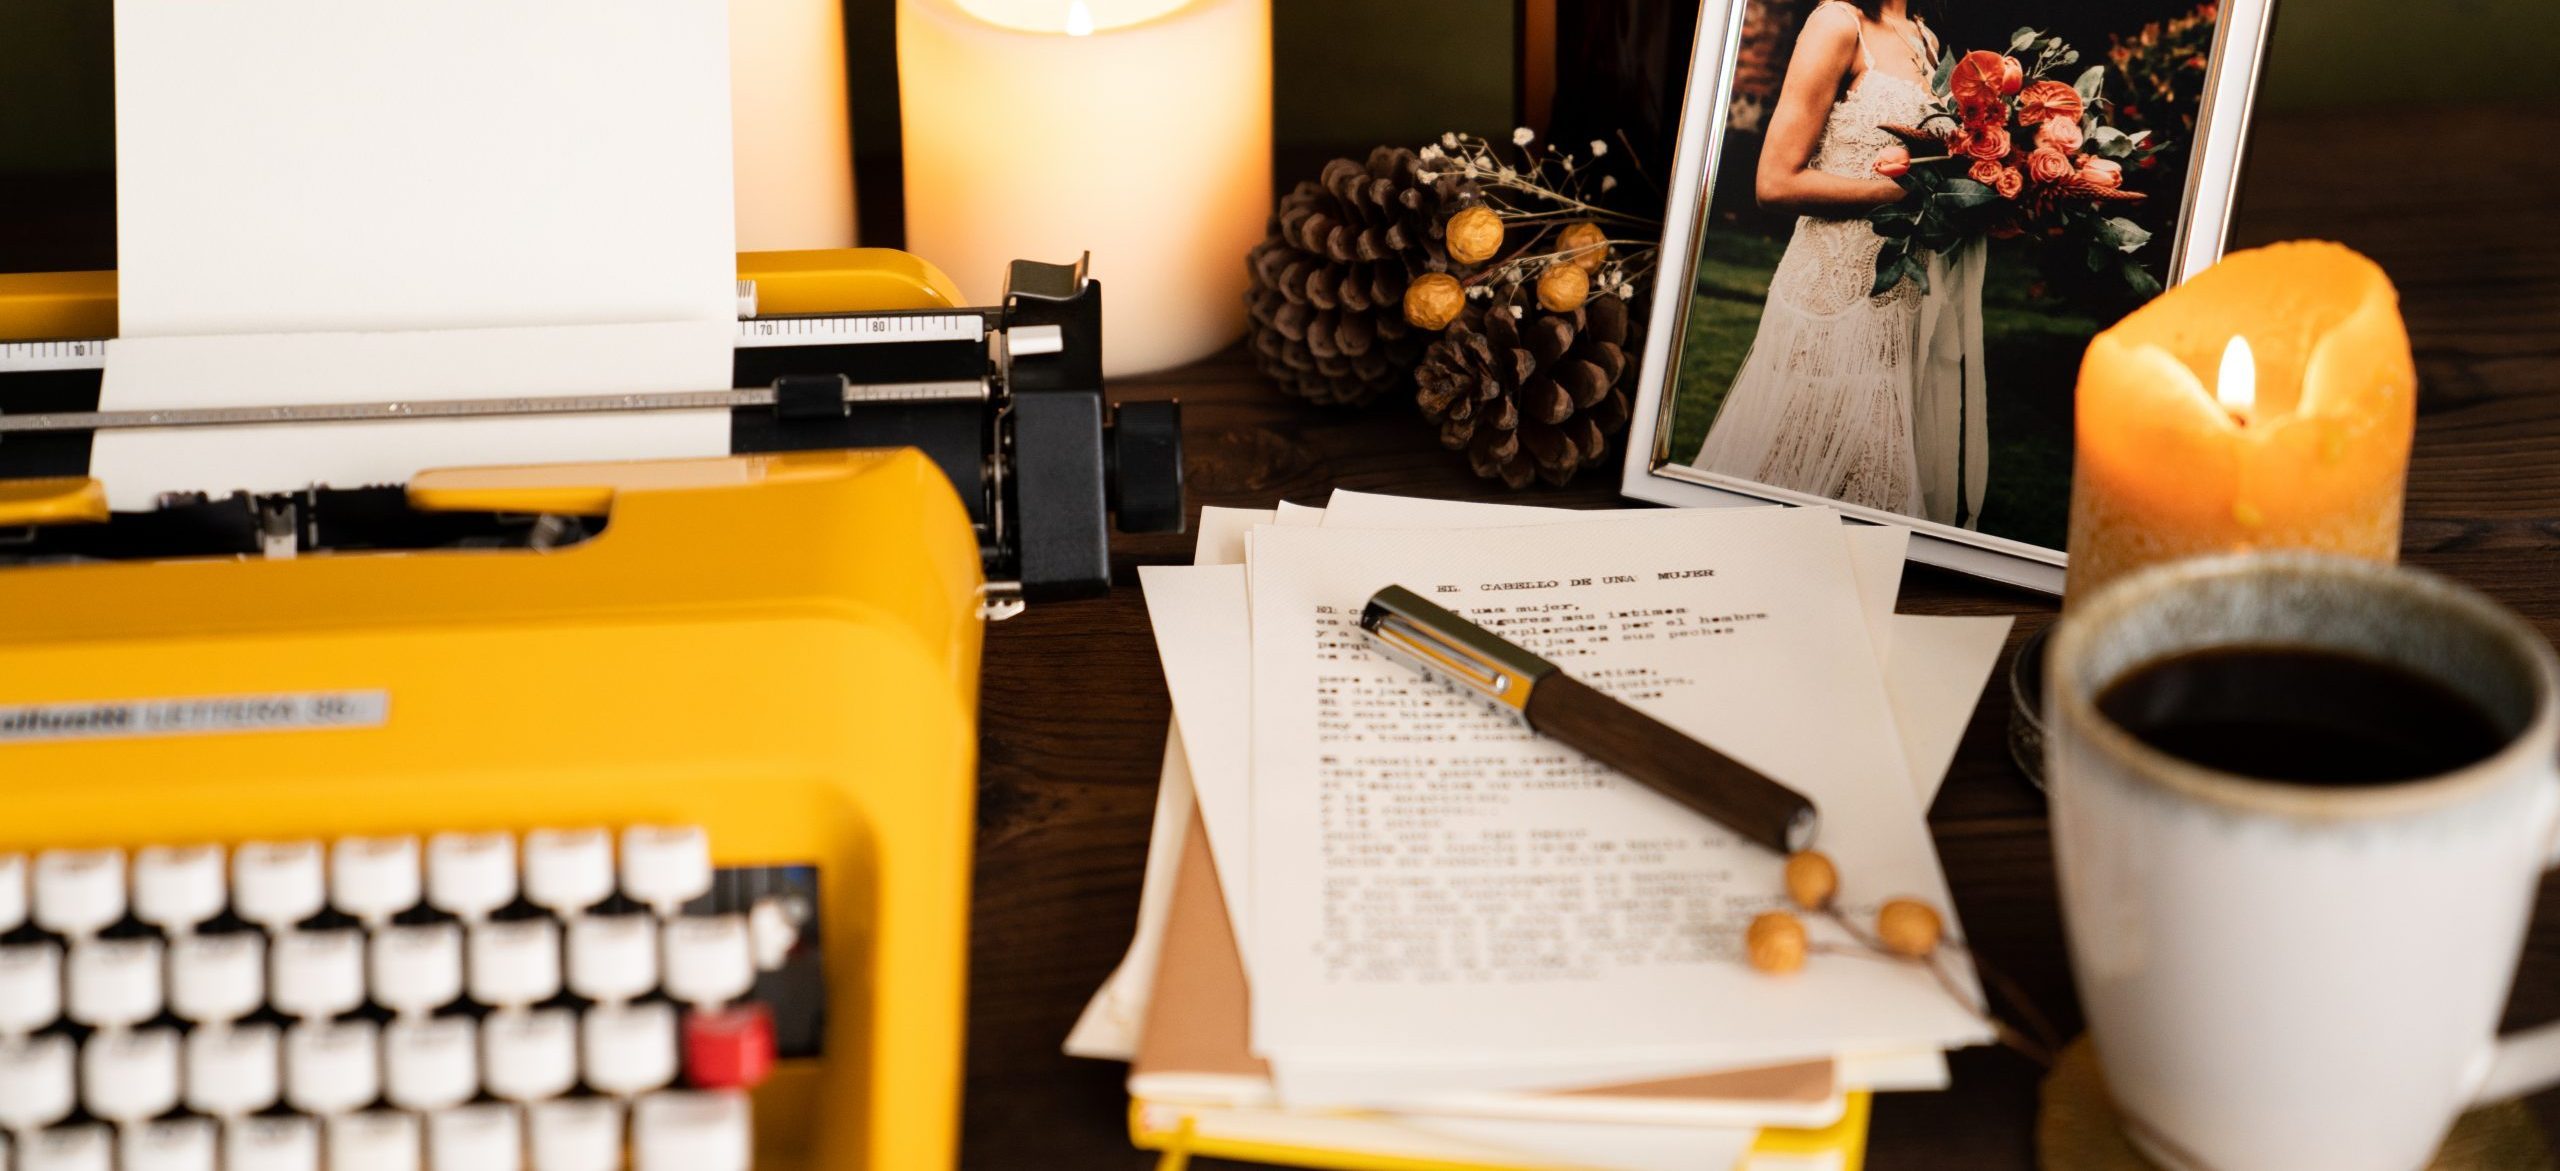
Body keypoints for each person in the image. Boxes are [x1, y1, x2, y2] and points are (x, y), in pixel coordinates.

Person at [1695, 0, 1987, 527]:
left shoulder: (1925, 38)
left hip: (1903, 298)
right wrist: (1901, 194)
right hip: (1831, 296)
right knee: (1796, 474)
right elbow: (1775, 183)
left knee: (1871, 497)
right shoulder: (1836, 23)